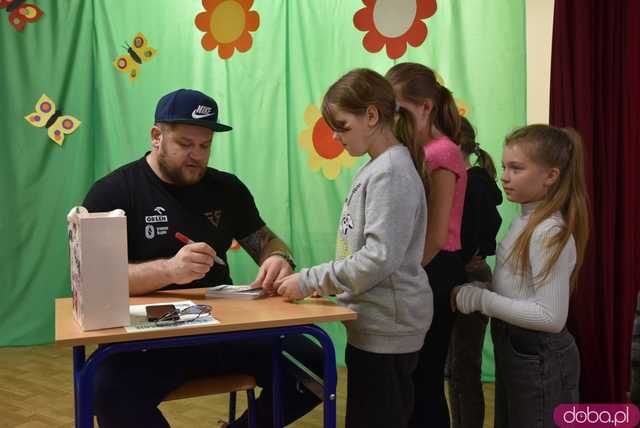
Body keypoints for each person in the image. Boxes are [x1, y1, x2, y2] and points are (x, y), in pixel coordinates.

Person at [82, 88, 322, 428]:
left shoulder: (227, 189)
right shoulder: (114, 191)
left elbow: (266, 241)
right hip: (146, 343)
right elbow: (94, 281)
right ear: (156, 136)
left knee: (315, 365)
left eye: (205, 145)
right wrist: (169, 270)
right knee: (101, 390)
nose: (196, 155)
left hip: (222, 332)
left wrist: (278, 256)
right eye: (184, 144)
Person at [276, 68, 433, 428]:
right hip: (374, 324)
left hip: (388, 329)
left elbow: (378, 258)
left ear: (372, 116)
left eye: (342, 125)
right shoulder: (377, 166)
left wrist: (310, 280)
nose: (335, 136)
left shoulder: (391, 171)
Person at [453, 124, 588, 427]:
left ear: (550, 176)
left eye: (516, 168)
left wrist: (481, 298)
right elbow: (522, 290)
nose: (504, 176)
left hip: (540, 358)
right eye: (504, 166)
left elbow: (550, 316)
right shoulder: (525, 221)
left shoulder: (547, 231)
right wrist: (485, 286)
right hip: (519, 352)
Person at [386, 62, 467, 427]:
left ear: (426, 107)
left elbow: (435, 235)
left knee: (425, 375)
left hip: (435, 267)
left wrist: (400, 275)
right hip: (420, 265)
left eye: (400, 111)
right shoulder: (412, 152)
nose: (394, 120)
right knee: (410, 375)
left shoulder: (442, 153)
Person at [447, 117, 502, 428]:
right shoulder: (466, 181)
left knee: (463, 368)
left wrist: (472, 254)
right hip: (466, 273)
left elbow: (478, 226)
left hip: (470, 277)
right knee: (457, 368)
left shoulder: (472, 182)